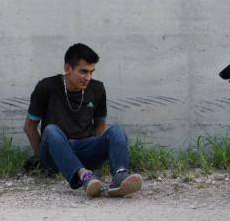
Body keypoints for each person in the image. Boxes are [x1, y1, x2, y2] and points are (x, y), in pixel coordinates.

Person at [23, 43, 142, 197]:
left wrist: (96, 149)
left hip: (84, 149)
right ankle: (84, 175)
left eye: (91, 72)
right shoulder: (47, 87)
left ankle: (120, 176)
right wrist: (41, 157)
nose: (88, 78)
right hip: (55, 153)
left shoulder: (97, 89)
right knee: (51, 130)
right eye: (83, 72)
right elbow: (29, 126)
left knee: (117, 131)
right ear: (67, 68)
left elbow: (100, 124)